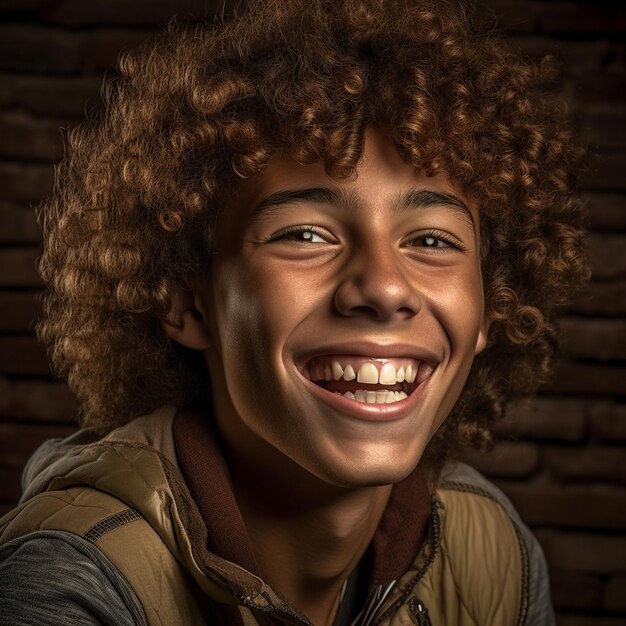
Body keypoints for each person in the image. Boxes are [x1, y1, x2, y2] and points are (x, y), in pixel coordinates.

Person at [0, 0, 588, 624]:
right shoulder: (71, 588)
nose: (386, 288)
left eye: (433, 240)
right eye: (306, 234)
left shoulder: (492, 552)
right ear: (183, 302)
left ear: (487, 314)